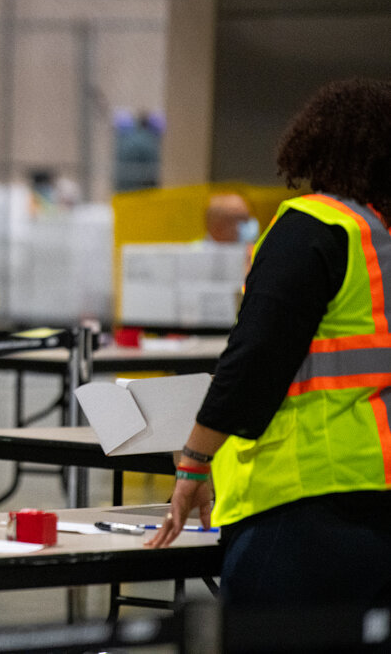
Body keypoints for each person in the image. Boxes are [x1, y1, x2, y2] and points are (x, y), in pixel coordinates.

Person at [146, 79, 391, 614]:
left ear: (314, 145)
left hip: (306, 501)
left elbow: (255, 359)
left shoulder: (316, 225)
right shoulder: (381, 239)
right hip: (377, 494)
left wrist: (193, 464)